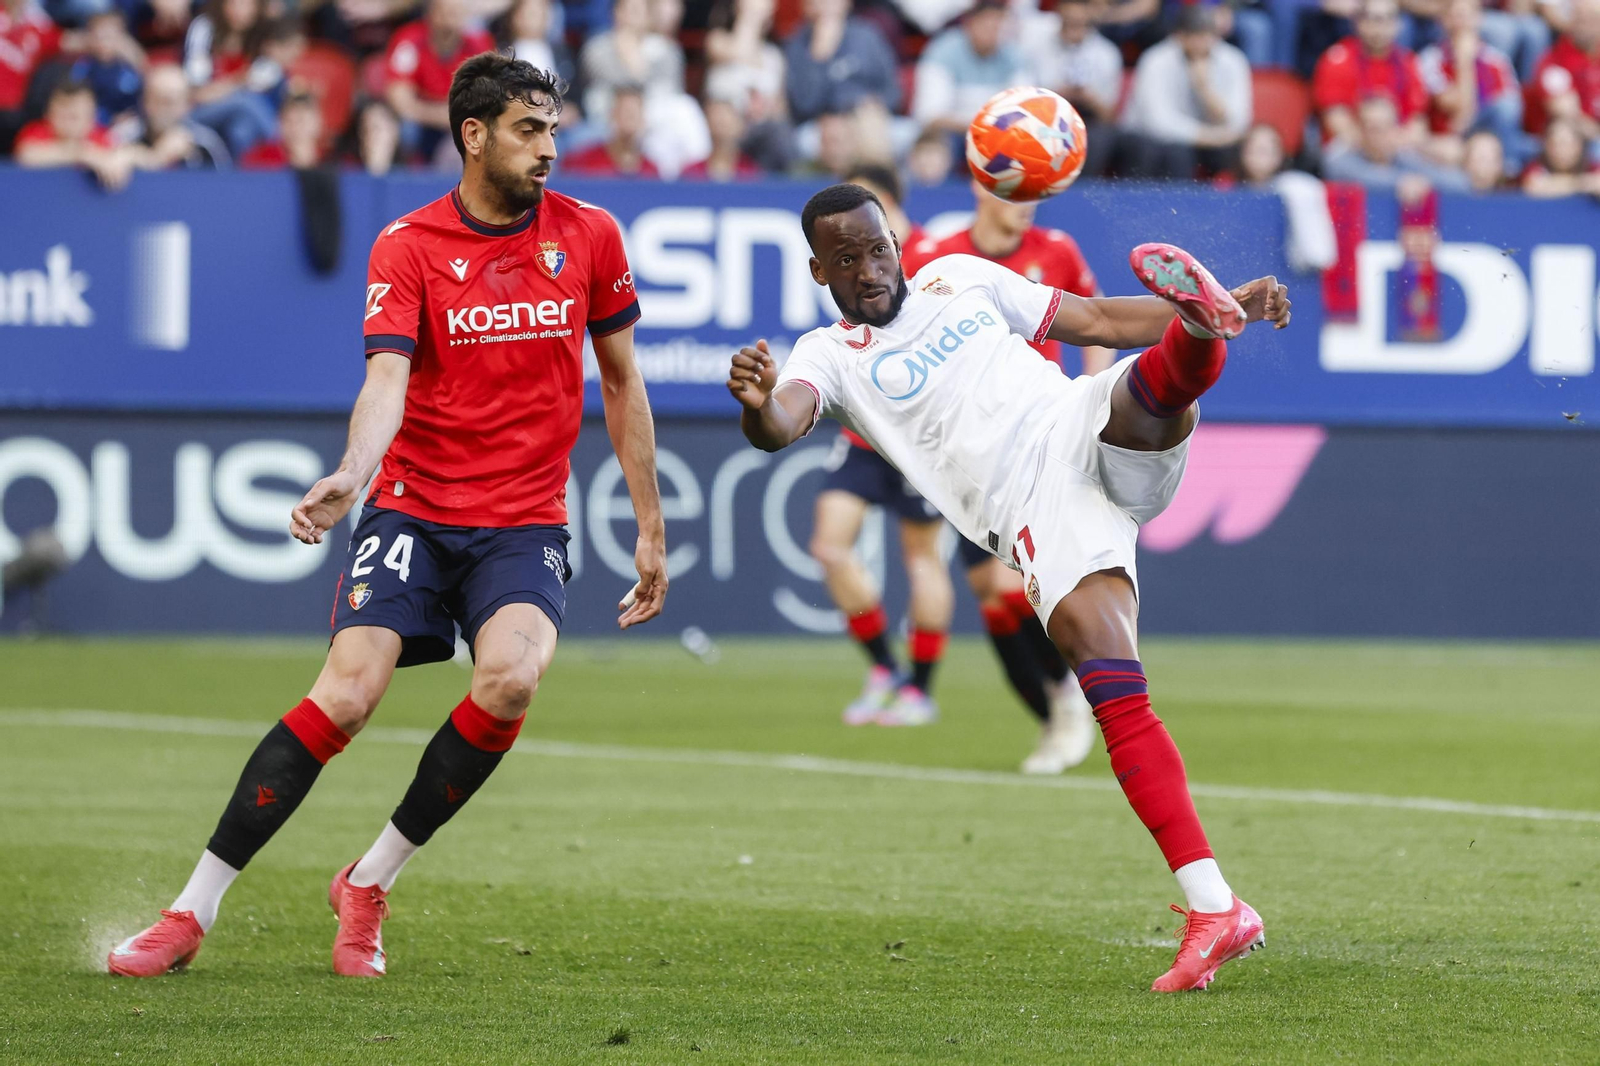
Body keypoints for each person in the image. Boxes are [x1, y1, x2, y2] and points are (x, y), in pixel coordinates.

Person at [107, 53, 669, 980]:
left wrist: (649, 525)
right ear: (474, 134)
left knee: (511, 680)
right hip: (414, 507)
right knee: (349, 693)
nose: (549, 149)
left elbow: (621, 383)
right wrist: (352, 475)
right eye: (530, 130)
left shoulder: (592, 235)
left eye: (555, 129)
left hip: (526, 518)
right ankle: (190, 909)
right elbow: (387, 380)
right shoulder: (408, 245)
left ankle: (367, 881)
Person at [726, 181, 1291, 992]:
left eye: (877, 249)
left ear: (895, 243)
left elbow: (1094, 321)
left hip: (1072, 420)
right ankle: (1217, 909)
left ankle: (1202, 325)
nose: (869, 269)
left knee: (1140, 395)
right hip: (1033, 512)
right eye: (846, 260)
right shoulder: (829, 356)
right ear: (822, 272)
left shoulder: (963, 278)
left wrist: (1231, 299)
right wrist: (755, 407)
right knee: (1114, 688)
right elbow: (782, 423)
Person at [902, 180, 1113, 774]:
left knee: (1008, 585)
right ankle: (1055, 713)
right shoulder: (937, 256)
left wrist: (1089, 394)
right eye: (1015, 190)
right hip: (970, 452)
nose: (1026, 205)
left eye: (1034, 192)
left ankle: (1072, 697)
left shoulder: (1058, 249)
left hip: (1043, 441)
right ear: (982, 189)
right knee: (992, 598)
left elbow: (1094, 324)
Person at [808, 163, 952, 728]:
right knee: (828, 545)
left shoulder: (926, 255)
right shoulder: (850, 260)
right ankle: (884, 669)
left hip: (919, 435)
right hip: (866, 433)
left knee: (920, 557)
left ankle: (919, 688)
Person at [1119, 3, 1253, 178]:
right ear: (1179, 36)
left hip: (1210, 137)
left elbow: (1239, 121)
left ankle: (1226, 203)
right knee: (1176, 153)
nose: (1203, 43)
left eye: (1208, 36)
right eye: (1196, 36)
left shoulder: (1233, 60)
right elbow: (1157, 124)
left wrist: (1205, 90)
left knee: (1237, 151)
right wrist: (1209, 137)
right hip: (1150, 138)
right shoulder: (1156, 60)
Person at [1022, 0, 1123, 179]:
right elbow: (1027, 103)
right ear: (1059, 14)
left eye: (1079, 23)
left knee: (1100, 138)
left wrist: (1089, 97)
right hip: (1046, 118)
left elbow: (1109, 115)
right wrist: (1059, 94)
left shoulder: (1107, 53)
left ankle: (1082, 193)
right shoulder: (1038, 49)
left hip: (1090, 119)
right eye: (1069, 22)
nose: (1074, 28)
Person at [385, 0, 495, 161]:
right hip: (419, 119)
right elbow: (399, 99)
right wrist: (442, 115)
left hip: (458, 121)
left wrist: (454, 117)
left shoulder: (479, 45)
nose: (449, 19)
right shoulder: (409, 41)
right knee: (393, 126)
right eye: (444, 12)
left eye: (455, 13)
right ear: (430, 14)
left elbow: (486, 100)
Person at [1312, 0, 1430, 147]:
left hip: (1397, 149)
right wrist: (1374, 148)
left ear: (1399, 24)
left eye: (1388, 19)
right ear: (1357, 22)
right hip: (1351, 148)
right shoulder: (1337, 59)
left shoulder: (1408, 61)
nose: (1380, 27)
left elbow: (1418, 123)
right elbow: (1335, 121)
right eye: (1373, 19)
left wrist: (1392, 147)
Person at [911, 0, 1028, 136]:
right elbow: (930, 116)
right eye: (986, 24)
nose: (992, 31)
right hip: (954, 134)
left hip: (1000, 135)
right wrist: (981, 126)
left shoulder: (1014, 56)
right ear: (969, 23)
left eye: (998, 25)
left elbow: (1025, 108)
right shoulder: (943, 52)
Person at [1322, 92, 1472, 187]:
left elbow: (1459, 182)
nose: (1382, 136)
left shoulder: (1402, 157)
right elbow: (1348, 172)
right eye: (1374, 128)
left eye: (1387, 127)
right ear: (1360, 130)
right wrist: (1400, 183)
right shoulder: (1341, 156)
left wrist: (1425, 148)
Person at [15, 78, 134, 189]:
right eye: (63, 114)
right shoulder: (36, 132)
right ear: (48, 113)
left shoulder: (101, 136)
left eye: (75, 116)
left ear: (92, 116)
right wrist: (80, 154)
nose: (69, 123)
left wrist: (122, 158)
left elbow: (118, 157)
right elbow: (26, 156)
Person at [113, 62, 232, 169]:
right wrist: (157, 158)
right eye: (156, 99)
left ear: (186, 105)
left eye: (170, 102)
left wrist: (151, 159)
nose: (162, 109)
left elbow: (222, 188)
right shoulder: (125, 135)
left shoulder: (204, 144)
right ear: (144, 102)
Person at [1525, 0, 1600, 141]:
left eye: (1592, 20)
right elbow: (1570, 118)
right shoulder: (1553, 62)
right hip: (1557, 142)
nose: (1585, 26)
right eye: (1579, 19)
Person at [560, 83, 659, 175]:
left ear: (643, 118)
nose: (628, 121)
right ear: (611, 115)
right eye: (623, 112)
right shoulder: (581, 162)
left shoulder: (651, 170)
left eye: (633, 114)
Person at [240, 89, 324, 167]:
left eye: (301, 120)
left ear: (317, 122)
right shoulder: (260, 161)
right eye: (288, 121)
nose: (295, 128)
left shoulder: (330, 159)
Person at [1521, 114, 1600, 193]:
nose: (1559, 150)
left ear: (1579, 146)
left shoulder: (1591, 167)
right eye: (1554, 144)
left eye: (1565, 144)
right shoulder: (1536, 166)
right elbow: (1534, 185)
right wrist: (1581, 183)